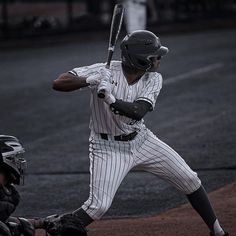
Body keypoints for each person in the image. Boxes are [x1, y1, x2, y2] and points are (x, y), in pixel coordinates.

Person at [48, 30, 229, 236]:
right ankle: (54, 226)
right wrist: (91, 80)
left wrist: (110, 99)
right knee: (98, 207)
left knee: (189, 179)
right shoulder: (104, 70)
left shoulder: (153, 79)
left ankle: (218, 232)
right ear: (141, 59)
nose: (158, 59)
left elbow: (137, 112)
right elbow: (59, 83)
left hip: (142, 141)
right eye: (154, 56)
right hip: (107, 148)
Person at [0, 135, 35, 236]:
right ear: (6, 159)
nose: (18, 161)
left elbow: (4, 219)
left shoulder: (8, 193)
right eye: (15, 157)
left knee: (22, 227)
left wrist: (41, 223)